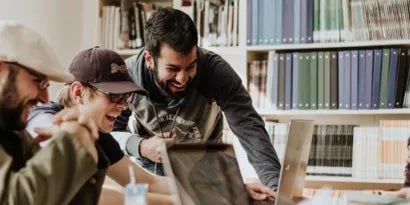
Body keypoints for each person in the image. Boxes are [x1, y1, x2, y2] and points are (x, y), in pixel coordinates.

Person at [112, 7, 280, 200]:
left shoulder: (216, 71)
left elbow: (250, 129)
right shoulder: (128, 76)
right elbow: (109, 135)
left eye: (190, 66)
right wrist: (140, 146)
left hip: (206, 178)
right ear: (150, 59)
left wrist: (276, 189)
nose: (182, 78)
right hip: (150, 181)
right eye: (172, 69)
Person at [27, 47, 173, 205]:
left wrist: (199, 186)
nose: (124, 106)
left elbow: (149, 183)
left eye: (127, 96)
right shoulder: (44, 117)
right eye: (115, 96)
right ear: (78, 92)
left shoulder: (97, 133)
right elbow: (85, 196)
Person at [0, 21, 100, 204]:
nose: (45, 98)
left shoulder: (14, 132)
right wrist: (73, 140)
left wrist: (85, 141)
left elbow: (61, 198)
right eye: (38, 81)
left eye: (47, 85)